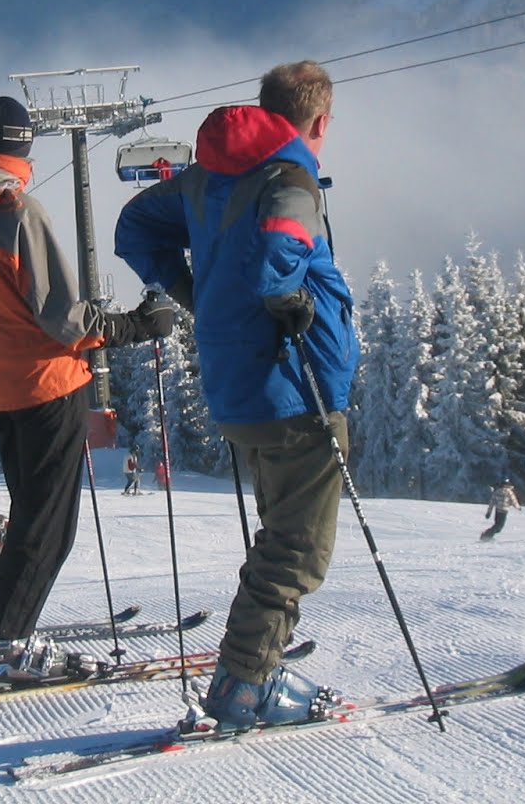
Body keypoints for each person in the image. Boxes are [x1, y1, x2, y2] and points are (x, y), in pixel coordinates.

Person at [115, 59, 359, 732]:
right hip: (293, 383)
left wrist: (192, 290)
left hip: (239, 385)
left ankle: (251, 668)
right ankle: (244, 685)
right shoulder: (290, 177)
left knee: (281, 538)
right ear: (318, 121)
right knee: (296, 551)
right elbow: (282, 244)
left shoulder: (207, 179)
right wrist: (282, 297)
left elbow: (133, 229)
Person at [0, 94, 174, 682]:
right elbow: (63, 317)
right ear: (24, 143)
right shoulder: (13, 208)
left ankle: (2, 635)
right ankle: (7, 646)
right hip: (47, 384)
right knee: (49, 527)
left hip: (1, 385)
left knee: (33, 521)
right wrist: (135, 325)